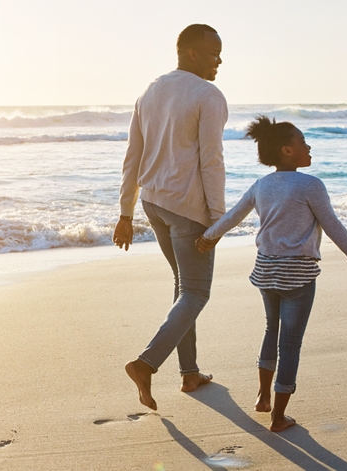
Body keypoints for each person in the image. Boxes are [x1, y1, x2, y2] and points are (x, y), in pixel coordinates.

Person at [195, 116, 347, 432]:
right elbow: (334, 227)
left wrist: (208, 237)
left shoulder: (261, 185)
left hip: (266, 270)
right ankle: (278, 418)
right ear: (286, 151)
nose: (308, 147)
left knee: (271, 330)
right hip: (298, 274)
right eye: (303, 143)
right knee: (290, 343)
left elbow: (233, 216)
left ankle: (263, 398)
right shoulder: (310, 185)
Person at [113, 24, 227, 411]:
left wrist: (126, 212)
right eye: (214, 53)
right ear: (192, 53)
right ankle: (146, 364)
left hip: (153, 204)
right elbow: (212, 161)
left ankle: (190, 373)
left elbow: (133, 156)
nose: (219, 60)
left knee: (183, 285)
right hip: (188, 208)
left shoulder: (149, 91)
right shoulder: (207, 95)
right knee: (196, 292)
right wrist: (218, 220)